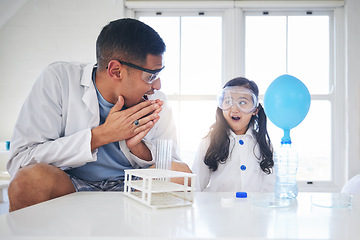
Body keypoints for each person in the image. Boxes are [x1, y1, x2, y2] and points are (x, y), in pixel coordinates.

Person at [7, 18, 190, 211]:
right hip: (72, 184)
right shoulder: (59, 79)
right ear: (116, 71)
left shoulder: (157, 101)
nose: (157, 86)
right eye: (151, 76)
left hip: (133, 185)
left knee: (179, 174)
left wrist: (138, 148)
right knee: (27, 182)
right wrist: (102, 135)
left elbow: (172, 163)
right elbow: (20, 162)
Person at [192, 77, 275, 192]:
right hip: (217, 209)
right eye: (228, 102)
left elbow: (270, 188)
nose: (234, 109)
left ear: (255, 109)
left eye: (242, 102)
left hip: (254, 210)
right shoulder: (209, 141)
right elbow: (196, 186)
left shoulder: (264, 144)